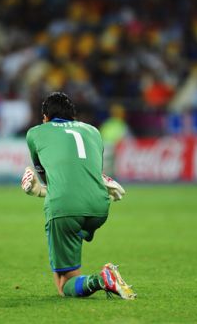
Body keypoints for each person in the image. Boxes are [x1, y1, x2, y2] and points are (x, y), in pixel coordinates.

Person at [20, 92, 136, 299]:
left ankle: (102, 279)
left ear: (45, 117)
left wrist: (37, 190)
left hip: (65, 209)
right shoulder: (93, 131)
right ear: (73, 116)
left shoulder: (35, 133)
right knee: (75, 230)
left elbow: (50, 180)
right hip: (100, 207)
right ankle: (78, 236)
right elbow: (87, 171)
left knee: (64, 285)